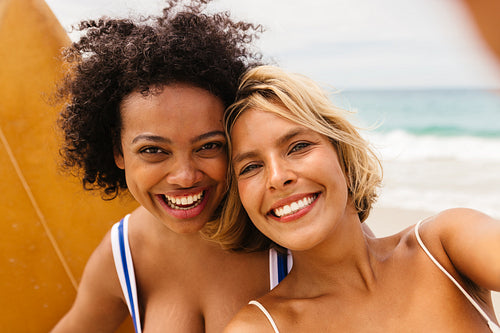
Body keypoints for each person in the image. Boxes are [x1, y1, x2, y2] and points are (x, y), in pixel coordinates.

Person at [50, 1, 290, 332]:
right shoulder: (124, 255)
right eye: (153, 150)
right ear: (118, 151)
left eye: (209, 146)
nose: (185, 176)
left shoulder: (291, 230)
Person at [217, 65, 500, 332]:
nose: (277, 177)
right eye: (251, 167)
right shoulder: (259, 328)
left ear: (344, 157)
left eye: (298, 146)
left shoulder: (443, 248)